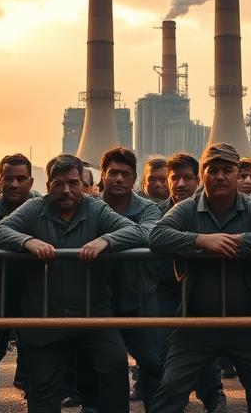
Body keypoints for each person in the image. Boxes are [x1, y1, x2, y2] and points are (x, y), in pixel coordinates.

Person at [0, 155, 146, 413]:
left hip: (93, 315)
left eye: (73, 183)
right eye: (59, 184)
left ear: (83, 183)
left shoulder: (96, 208)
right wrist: (27, 241)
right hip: (45, 318)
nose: (66, 191)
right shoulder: (34, 208)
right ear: (48, 183)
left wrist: (106, 241)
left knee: (115, 366)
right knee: (43, 390)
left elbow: (138, 231)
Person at [150, 143, 251, 413]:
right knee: (169, 389)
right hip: (196, 323)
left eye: (227, 170)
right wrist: (202, 240)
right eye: (213, 170)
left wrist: (238, 241)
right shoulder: (188, 209)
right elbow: (157, 236)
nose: (220, 176)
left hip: (249, 323)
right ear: (203, 174)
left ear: (238, 174)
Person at [154, 152, 226, 413]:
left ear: (198, 180)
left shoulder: (209, 209)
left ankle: (213, 396)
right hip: (165, 290)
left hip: (201, 288)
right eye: (175, 178)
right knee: (165, 347)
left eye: (187, 178)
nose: (181, 184)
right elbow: (154, 236)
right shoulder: (156, 212)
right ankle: (176, 398)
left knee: (205, 343)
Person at [98, 147, 164, 411]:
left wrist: (105, 239)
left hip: (140, 294)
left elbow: (148, 234)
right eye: (113, 173)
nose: (119, 179)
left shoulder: (147, 208)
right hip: (99, 296)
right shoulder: (89, 205)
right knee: (109, 365)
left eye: (125, 174)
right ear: (103, 175)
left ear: (135, 177)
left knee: (152, 362)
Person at [0, 153, 38, 413]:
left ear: (30, 180)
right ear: (0, 180)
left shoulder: (46, 207)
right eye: (9, 178)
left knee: (39, 363)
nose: (14, 184)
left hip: (35, 296)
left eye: (21, 178)